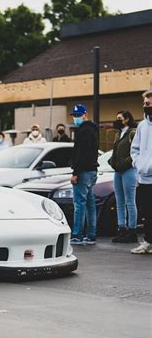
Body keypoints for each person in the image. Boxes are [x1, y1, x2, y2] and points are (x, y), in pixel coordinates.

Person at [69, 103, 99, 245]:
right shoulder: (93, 130)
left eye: (78, 115)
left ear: (85, 114)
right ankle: (91, 234)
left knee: (79, 204)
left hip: (83, 171)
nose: (76, 118)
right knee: (90, 204)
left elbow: (81, 154)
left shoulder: (82, 131)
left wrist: (75, 172)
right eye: (74, 115)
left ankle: (77, 234)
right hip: (92, 170)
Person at [108, 110, 137, 243]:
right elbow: (115, 151)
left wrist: (123, 164)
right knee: (120, 201)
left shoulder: (133, 132)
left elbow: (136, 152)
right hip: (117, 171)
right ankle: (122, 228)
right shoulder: (119, 134)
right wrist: (113, 163)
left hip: (129, 170)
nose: (117, 120)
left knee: (130, 201)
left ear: (126, 119)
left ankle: (132, 231)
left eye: (119, 118)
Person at [130, 90, 152, 254]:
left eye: (148, 103)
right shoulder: (142, 126)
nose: (145, 106)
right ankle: (148, 242)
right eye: (144, 103)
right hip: (144, 178)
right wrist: (138, 164)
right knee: (147, 213)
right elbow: (134, 149)